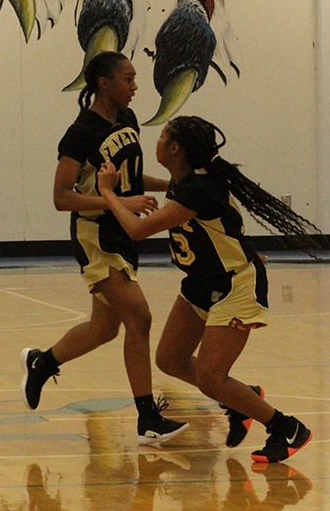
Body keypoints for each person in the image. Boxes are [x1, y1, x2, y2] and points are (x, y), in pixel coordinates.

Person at [97, 115, 320, 463]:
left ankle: (286, 427)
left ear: (174, 148)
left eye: (161, 137)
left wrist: (108, 192)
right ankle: (242, 398)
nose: (154, 143)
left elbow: (137, 231)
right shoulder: (182, 180)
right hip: (201, 282)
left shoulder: (197, 189)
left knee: (210, 378)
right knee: (169, 359)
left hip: (235, 284)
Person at [20, 51, 188, 444]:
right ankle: (147, 417)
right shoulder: (80, 132)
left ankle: (42, 363)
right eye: (128, 79)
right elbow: (62, 197)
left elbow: (128, 179)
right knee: (140, 317)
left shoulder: (127, 121)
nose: (135, 85)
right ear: (104, 83)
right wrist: (118, 202)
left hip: (124, 234)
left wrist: (175, 186)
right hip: (95, 236)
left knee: (105, 328)